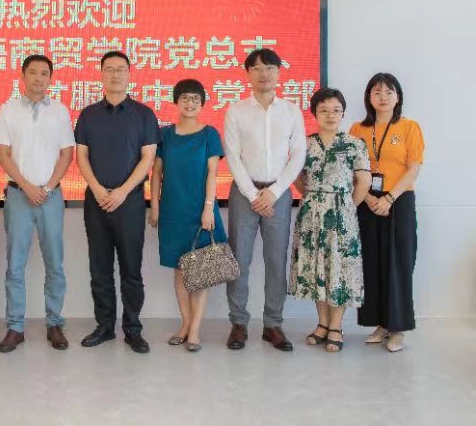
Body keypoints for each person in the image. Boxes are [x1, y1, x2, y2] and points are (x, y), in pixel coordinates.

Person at [74, 51, 160, 354]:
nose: (114, 74)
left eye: (120, 69)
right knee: (99, 268)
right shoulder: (88, 115)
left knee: (131, 269)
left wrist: (123, 191)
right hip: (96, 201)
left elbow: (148, 158)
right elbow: (81, 156)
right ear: (101, 74)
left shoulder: (144, 114)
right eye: (109, 69)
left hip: (130, 201)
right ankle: (104, 326)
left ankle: (133, 329)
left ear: (129, 74)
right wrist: (97, 189)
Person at [222, 48, 306, 352]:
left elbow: (298, 155)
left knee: (275, 260)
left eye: (269, 67)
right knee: (239, 261)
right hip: (244, 194)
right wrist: (252, 194)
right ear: (248, 74)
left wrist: (275, 191)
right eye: (256, 68)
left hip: (279, 196)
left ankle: (273, 324)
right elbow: (232, 156)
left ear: (279, 72)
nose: (264, 73)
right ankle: (238, 323)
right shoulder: (236, 111)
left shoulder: (291, 111)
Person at [0, 55, 75, 353]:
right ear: (23, 76)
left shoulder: (60, 111)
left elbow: (67, 154)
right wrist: (27, 186)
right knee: (15, 265)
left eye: (44, 73)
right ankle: (15, 327)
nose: (39, 78)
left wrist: (47, 187)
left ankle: (55, 324)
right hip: (18, 196)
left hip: (51, 197)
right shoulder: (8, 110)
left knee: (55, 263)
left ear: (50, 78)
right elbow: (2, 153)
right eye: (33, 73)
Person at [289, 88, 371, 353]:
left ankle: (336, 326)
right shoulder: (304, 143)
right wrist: (314, 197)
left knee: (339, 269)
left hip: (341, 215)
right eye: (324, 110)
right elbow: (297, 178)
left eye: (336, 110)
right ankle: (322, 324)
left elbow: (364, 181)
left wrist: (346, 205)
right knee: (317, 269)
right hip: (311, 214)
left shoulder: (354, 144)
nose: (331, 115)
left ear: (343, 113)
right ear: (314, 113)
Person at [149, 78, 227, 353]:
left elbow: (213, 173)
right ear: (176, 102)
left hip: (200, 211)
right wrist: (155, 207)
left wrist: (208, 207)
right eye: (185, 98)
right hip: (172, 210)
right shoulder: (165, 135)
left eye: (195, 99)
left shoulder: (210, 134)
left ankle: (194, 329)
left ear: (202, 103)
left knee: (200, 271)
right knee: (180, 269)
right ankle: (184, 323)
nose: (190, 103)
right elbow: (156, 173)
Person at [349, 73, 424, 353]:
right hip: (367, 202)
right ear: (368, 97)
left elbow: (414, 167)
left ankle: (397, 329)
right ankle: (381, 323)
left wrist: (390, 197)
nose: (383, 97)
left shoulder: (409, 127)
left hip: (399, 201)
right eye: (377, 92)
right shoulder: (357, 129)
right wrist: (369, 198)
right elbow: (350, 169)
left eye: (388, 92)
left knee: (398, 263)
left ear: (398, 97)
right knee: (372, 263)